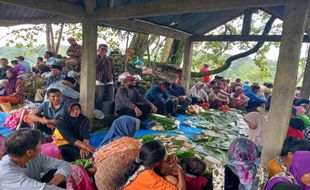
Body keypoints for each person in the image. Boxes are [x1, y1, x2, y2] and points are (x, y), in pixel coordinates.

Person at [0, 129, 71, 190]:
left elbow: (64, 164)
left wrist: (52, 183)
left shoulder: (35, 156)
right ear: (29, 152)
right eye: (39, 144)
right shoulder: (7, 172)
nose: (42, 146)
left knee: (61, 173)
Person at [94, 116, 141, 190]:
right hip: (114, 186)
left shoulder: (109, 143)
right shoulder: (133, 144)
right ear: (128, 128)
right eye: (134, 128)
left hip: (98, 183)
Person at [117, 140, 186, 190]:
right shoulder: (149, 177)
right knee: (172, 180)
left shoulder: (138, 161)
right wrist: (180, 171)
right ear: (158, 163)